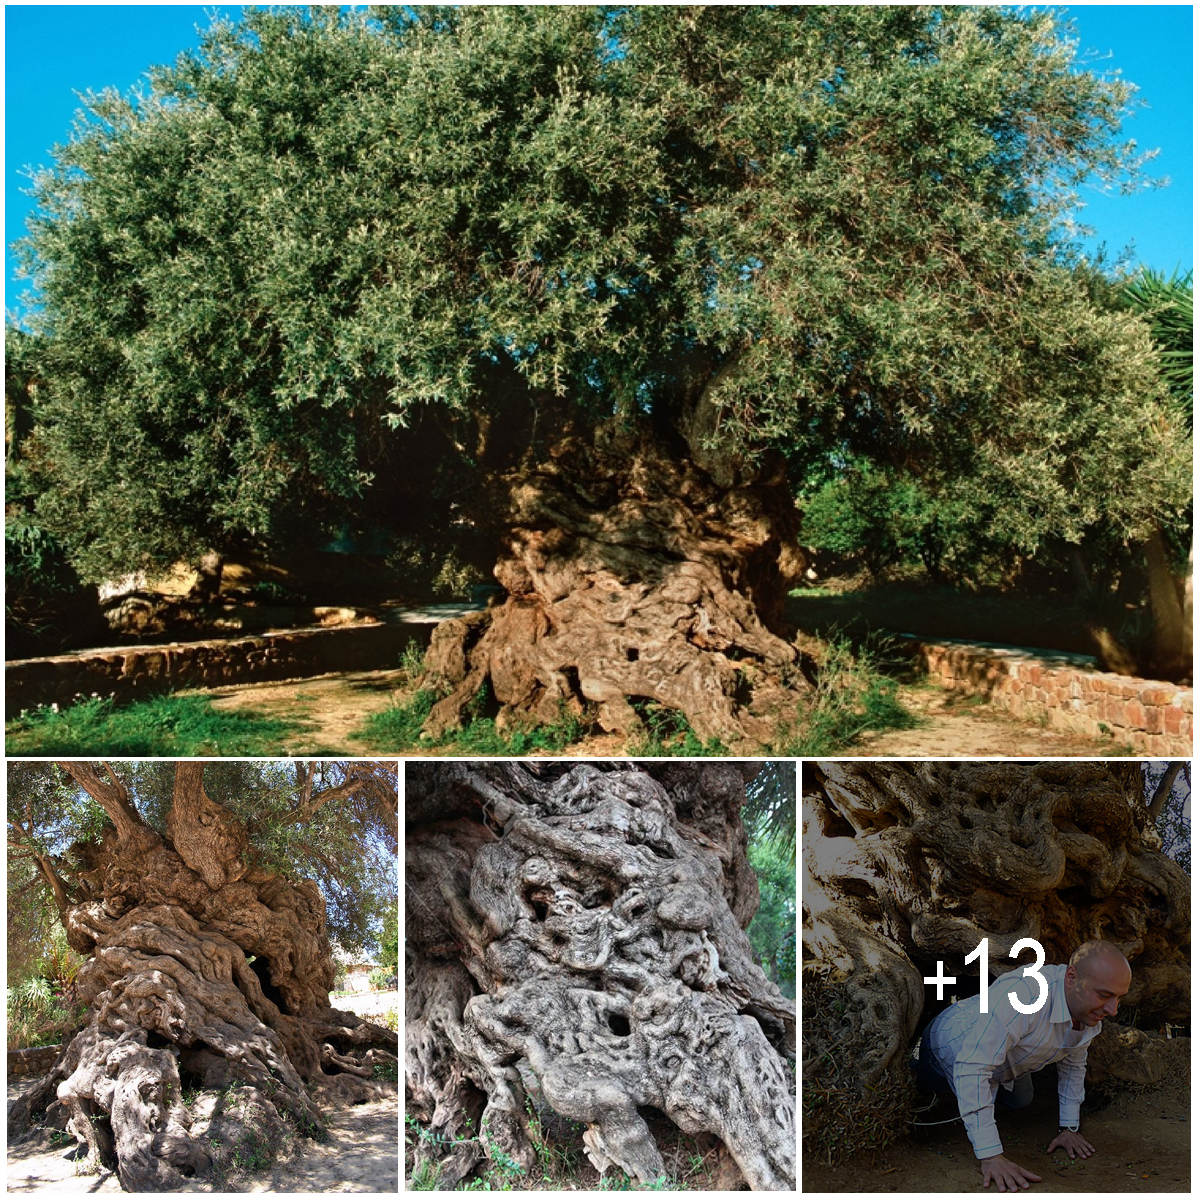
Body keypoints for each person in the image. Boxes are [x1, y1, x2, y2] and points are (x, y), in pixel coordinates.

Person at [914, 940, 1131, 1193]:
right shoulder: (1024, 994)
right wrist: (991, 1156)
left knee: (1021, 1100)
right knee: (924, 1089)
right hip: (948, 1048)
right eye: (1104, 995)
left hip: (1005, 1058)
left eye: (1118, 998)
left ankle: (990, 1097)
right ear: (1071, 977)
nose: (1113, 1010)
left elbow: (1074, 1064)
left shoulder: (1087, 1012)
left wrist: (1069, 1128)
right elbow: (971, 1068)